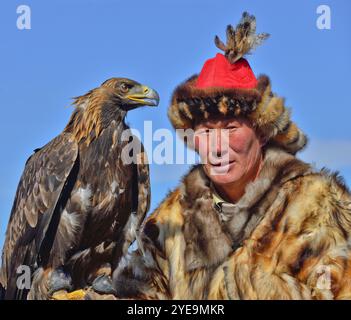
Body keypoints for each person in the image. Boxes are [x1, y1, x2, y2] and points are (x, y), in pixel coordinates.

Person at [99, 12, 351, 300]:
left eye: (231, 128)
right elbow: (139, 300)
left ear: (263, 132)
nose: (217, 147)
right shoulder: (170, 222)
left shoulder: (316, 208)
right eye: (205, 132)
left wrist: (246, 281)